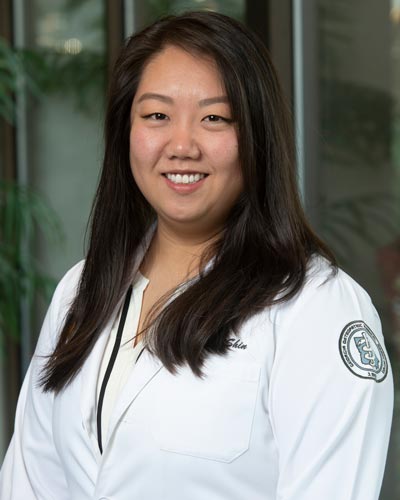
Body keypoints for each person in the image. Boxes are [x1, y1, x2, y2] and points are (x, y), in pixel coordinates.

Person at [0, 10, 393, 500]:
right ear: (127, 131)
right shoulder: (81, 292)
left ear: (256, 137)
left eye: (214, 118)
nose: (181, 145)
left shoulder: (317, 308)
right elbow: (31, 483)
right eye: (157, 116)